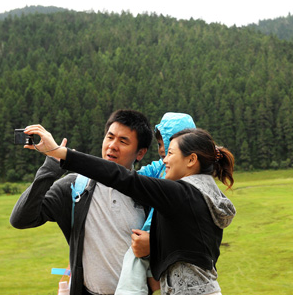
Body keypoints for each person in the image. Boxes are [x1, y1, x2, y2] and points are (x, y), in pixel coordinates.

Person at [23, 125, 236, 295]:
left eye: (170, 153)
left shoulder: (181, 194)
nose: (165, 159)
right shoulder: (207, 195)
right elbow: (189, 247)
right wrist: (153, 243)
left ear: (191, 160)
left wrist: (59, 153)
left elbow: (122, 178)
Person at [10, 110, 153, 295]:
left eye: (123, 141)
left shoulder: (149, 191)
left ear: (140, 153)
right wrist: (51, 166)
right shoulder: (76, 185)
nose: (112, 146)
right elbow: (21, 219)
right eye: (109, 137)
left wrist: (151, 248)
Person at [117, 112, 196, 295]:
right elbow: (138, 177)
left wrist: (154, 242)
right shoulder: (161, 166)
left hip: (160, 239)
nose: (161, 150)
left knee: (134, 264)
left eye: (164, 144)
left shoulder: (189, 180)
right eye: (160, 145)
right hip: (150, 234)